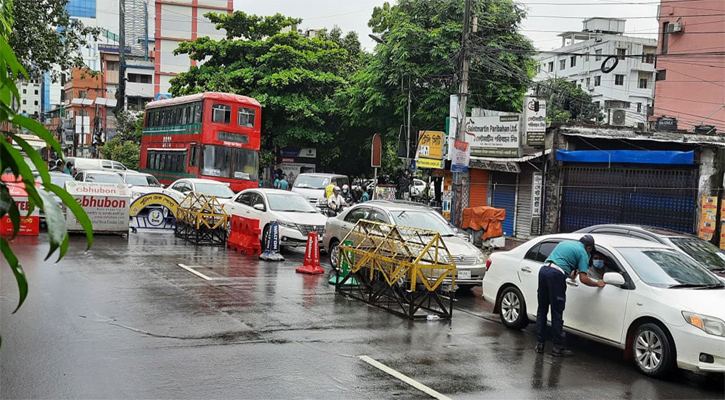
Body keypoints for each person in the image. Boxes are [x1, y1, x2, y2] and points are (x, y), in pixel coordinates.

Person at [535, 235, 604, 357]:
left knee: (542, 309)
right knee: (557, 312)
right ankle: (557, 348)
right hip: (556, 275)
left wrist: (570, 275)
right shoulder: (583, 253)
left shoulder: (564, 243)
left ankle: (540, 344)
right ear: (589, 247)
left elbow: (559, 262)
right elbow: (583, 279)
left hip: (544, 271)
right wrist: (597, 283)